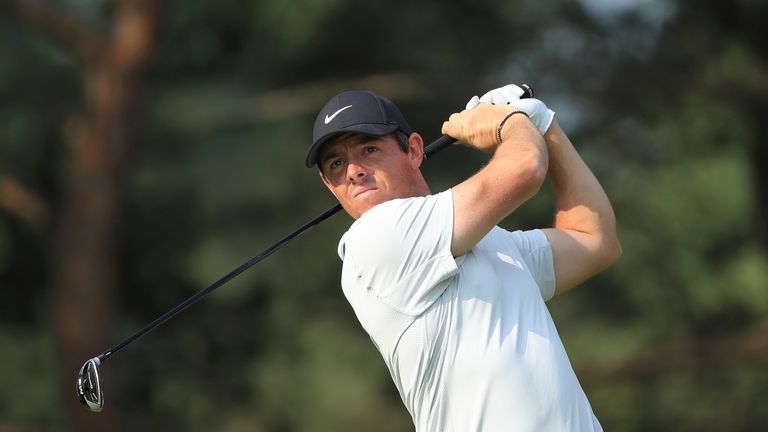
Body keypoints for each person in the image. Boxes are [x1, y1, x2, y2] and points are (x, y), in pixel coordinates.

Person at [304, 84, 622, 432]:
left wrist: (546, 126)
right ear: (328, 184)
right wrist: (509, 122)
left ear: (413, 150)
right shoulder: (373, 239)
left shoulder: (493, 243)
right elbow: (525, 168)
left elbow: (595, 240)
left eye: (369, 149)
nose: (353, 171)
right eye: (337, 163)